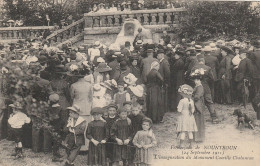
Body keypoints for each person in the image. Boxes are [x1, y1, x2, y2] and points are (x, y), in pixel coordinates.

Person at [176, 84, 197, 149]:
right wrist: (190, 112)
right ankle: (191, 145)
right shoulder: (192, 101)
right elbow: (193, 110)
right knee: (190, 131)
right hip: (190, 116)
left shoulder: (182, 101)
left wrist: (179, 111)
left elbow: (179, 110)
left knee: (183, 131)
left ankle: (181, 145)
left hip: (183, 116)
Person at [46, 93, 64, 162]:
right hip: (58, 126)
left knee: (53, 140)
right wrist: (62, 126)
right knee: (57, 141)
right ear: (58, 100)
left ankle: (55, 153)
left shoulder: (49, 108)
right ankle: (55, 156)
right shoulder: (60, 108)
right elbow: (62, 119)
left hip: (51, 126)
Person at [190, 70, 205, 142]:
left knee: (198, 121)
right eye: (195, 80)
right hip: (196, 104)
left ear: (200, 80)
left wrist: (191, 97)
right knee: (196, 120)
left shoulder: (200, 87)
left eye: (197, 80)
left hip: (198, 105)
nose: (196, 81)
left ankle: (199, 137)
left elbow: (197, 97)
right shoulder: (197, 86)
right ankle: (196, 137)